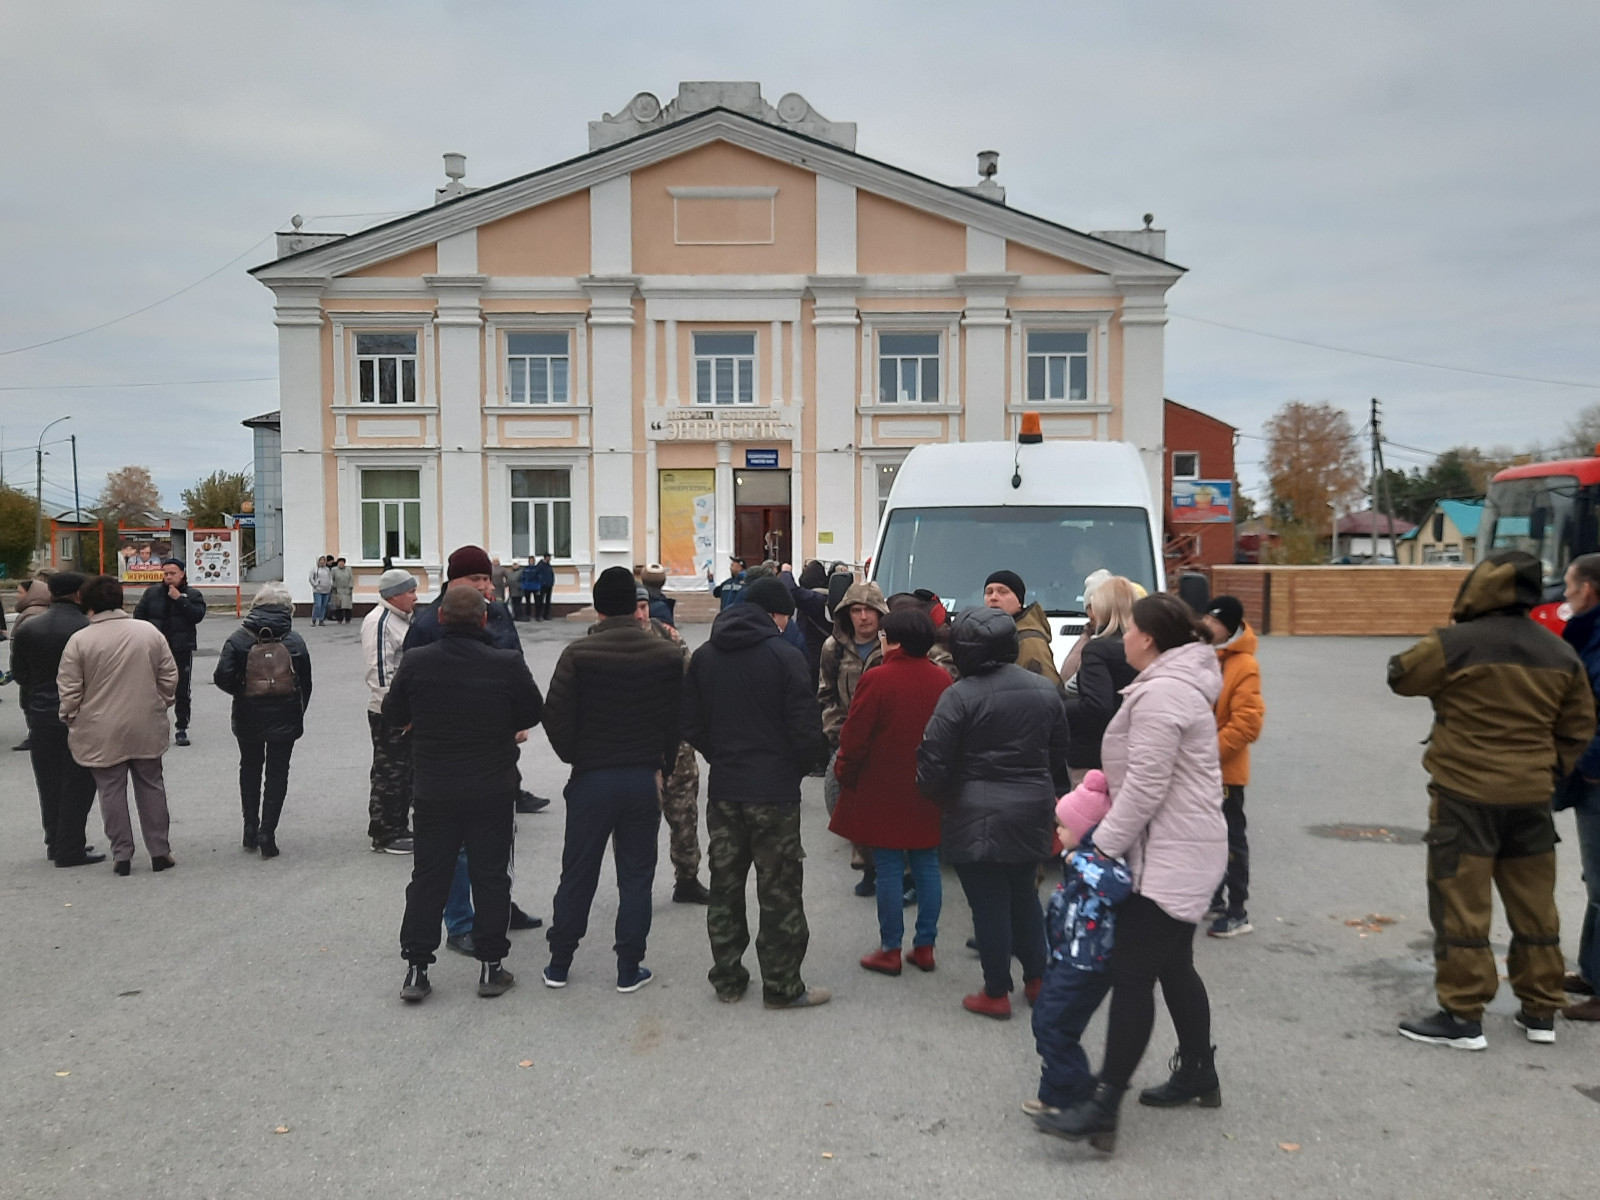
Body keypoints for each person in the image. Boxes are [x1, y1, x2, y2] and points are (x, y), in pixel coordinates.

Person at [1040, 594, 1229, 1152]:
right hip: (1179, 847)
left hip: (1174, 855)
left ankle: (1103, 1106)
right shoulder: (1168, 686)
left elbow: (1146, 787)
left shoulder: (1162, 694)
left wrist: (1100, 852)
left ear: (1147, 638)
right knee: (1173, 966)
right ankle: (1199, 1071)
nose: (1123, 637)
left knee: (1131, 975)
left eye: (1131, 631)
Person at [1389, 550, 1593, 1049]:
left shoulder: (1455, 644)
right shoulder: (1558, 651)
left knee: (1461, 904)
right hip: (1531, 799)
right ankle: (1540, 1011)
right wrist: (1548, 770)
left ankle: (1462, 1016)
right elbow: (1580, 725)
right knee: (1535, 906)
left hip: (1465, 798)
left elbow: (1401, 676)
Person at [682, 576, 831, 1009]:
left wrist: (722, 756)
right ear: (775, 613)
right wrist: (793, 769)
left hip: (726, 790)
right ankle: (782, 987)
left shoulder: (705, 656)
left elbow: (689, 722)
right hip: (775, 794)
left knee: (726, 886)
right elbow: (806, 729)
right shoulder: (786, 655)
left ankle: (728, 979)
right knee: (779, 889)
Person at [389, 585, 544, 1002]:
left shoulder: (419, 661)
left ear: (440, 619)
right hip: (492, 786)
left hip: (435, 787)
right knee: (491, 875)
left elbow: (393, 713)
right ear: (482, 620)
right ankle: (491, 966)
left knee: (428, 877)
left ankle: (417, 968)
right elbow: (533, 710)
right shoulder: (506, 663)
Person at [917, 607, 1070, 1019]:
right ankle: (1038, 978)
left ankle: (996, 989)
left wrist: (940, 796)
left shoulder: (958, 695)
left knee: (987, 903)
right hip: (1031, 805)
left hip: (972, 807)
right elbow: (1058, 753)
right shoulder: (1043, 690)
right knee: (1024, 895)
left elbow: (933, 760)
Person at [540, 569, 685, 992]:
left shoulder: (578, 653)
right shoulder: (666, 654)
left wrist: (576, 756)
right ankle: (628, 968)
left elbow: (555, 715)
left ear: (598, 607)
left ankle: (559, 964)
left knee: (578, 871)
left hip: (591, 778)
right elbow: (675, 721)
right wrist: (665, 766)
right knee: (637, 875)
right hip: (642, 777)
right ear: (638, 607)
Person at [404, 545, 547, 939]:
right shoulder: (430, 621)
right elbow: (410, 681)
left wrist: (516, 718)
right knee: (457, 848)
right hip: (447, 746)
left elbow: (514, 663)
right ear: (453, 581)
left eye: (486, 578)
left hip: (495, 742)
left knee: (499, 837)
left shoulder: (497, 613)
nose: (485, 585)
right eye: (476, 579)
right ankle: (461, 922)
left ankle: (498, 907)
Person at [831, 608, 952, 975]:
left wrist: (844, 772)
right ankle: (926, 945)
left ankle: (890, 948)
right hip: (928, 786)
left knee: (887, 868)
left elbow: (854, 736)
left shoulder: (878, 679)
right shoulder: (942, 679)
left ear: (891, 640)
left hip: (882, 786)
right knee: (927, 864)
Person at [1028, 770, 1131, 1130]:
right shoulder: (1080, 858)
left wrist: (1080, 860)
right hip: (1065, 955)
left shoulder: (1103, 861)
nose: (1057, 831)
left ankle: (1076, 1093)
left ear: (1087, 830)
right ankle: (1055, 1093)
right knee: (1047, 1021)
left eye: (1063, 825)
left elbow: (1117, 888)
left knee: (1054, 1026)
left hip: (1087, 963)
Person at [57, 575, 179, 876]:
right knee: (151, 784)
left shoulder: (80, 640)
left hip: (99, 726)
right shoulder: (148, 632)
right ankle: (160, 851)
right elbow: (169, 676)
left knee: (110, 789)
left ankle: (122, 854)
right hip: (145, 721)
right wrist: (160, 702)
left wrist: (71, 715)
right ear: (120, 599)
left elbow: (69, 688)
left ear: (85, 603)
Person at [623, 585, 711, 903]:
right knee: (639, 821)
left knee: (684, 815)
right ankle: (636, 887)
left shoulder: (671, 639)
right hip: (636, 747)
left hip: (678, 747)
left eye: (645, 606)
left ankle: (687, 879)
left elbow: (692, 684)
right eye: (635, 607)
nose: (641, 613)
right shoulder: (615, 643)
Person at [9, 571, 104, 867]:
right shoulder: (88, 628)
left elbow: (19, 673)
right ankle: (71, 844)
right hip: (81, 714)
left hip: (39, 712)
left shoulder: (29, 628)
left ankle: (53, 840)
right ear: (79, 594)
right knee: (79, 781)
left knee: (47, 781)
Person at [212, 583, 312, 858]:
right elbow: (305, 682)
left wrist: (243, 692)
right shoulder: (294, 640)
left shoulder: (239, 638)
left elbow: (222, 676)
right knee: (278, 771)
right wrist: (296, 710)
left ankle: (249, 827)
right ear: (287, 608)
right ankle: (268, 832)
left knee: (250, 767)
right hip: (286, 715)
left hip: (248, 714)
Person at [1199, 595, 1265, 938]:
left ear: (1228, 626)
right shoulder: (1205, 656)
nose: (1206, 624)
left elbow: (1248, 723)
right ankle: (1215, 898)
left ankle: (1238, 910)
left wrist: (1206, 752)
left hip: (1225, 772)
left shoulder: (1244, 666)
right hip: (1202, 770)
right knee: (1207, 837)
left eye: (1213, 620)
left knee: (1231, 840)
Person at [819, 580, 891, 894]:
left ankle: (898, 871)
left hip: (888, 736)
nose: (863, 617)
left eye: (869, 610)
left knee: (891, 808)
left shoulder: (893, 644)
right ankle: (868, 868)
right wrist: (837, 732)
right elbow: (827, 694)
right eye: (856, 610)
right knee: (856, 805)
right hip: (850, 734)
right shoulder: (833, 648)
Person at [1559, 553, 1600, 1021]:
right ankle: (1591, 970)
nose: (1565, 596)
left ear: (1588, 589)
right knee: (1595, 877)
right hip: (1591, 772)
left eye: (1569, 587)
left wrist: (1587, 765)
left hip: (1598, 775)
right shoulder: (1588, 634)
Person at [1060, 576, 1140, 784]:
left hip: (1092, 754)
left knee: (1086, 815)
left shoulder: (1097, 649)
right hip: (1134, 750)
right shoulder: (1144, 648)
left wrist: (1059, 707)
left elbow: (1097, 706)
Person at [363, 568, 419, 853]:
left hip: (404, 711)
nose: (415, 596)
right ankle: (385, 832)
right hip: (389, 712)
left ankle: (399, 825)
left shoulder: (401, 619)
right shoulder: (381, 622)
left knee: (404, 769)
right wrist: (396, 713)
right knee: (390, 771)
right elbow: (380, 672)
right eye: (410, 591)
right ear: (395, 595)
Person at [133, 558, 205, 747]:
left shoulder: (193, 594)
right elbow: (139, 616)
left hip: (181, 648)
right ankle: (152, 727)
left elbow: (197, 615)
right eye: (165, 574)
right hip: (155, 649)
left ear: (182, 574)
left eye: (172, 574)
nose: (168, 577)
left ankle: (182, 727)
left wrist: (179, 600)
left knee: (181, 689)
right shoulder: (152, 593)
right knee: (152, 689)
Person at [983, 569, 1062, 686]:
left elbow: (1049, 690)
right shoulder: (984, 635)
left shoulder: (1029, 640)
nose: (993, 597)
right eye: (989, 592)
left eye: (1003, 592)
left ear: (1019, 601)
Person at [639, 563, 676, 628]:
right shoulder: (662, 608)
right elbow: (668, 634)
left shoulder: (636, 600)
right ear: (664, 581)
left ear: (642, 579)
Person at [527, 553, 556, 622]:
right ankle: (539, 615)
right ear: (546, 558)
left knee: (548, 601)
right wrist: (541, 582)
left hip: (549, 585)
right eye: (549, 557)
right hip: (542, 585)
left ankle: (546, 615)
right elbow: (537, 575)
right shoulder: (540, 565)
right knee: (540, 601)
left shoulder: (549, 565)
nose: (550, 559)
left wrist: (552, 582)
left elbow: (551, 574)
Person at [308, 556, 333, 626]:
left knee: (324, 606)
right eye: (320, 560)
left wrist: (330, 585)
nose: (322, 561)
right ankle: (314, 619)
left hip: (326, 590)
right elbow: (310, 578)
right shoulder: (314, 570)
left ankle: (321, 620)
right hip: (317, 590)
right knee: (318, 605)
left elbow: (330, 577)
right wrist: (315, 584)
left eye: (323, 560)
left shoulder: (327, 569)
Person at [329, 557, 355, 624]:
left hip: (347, 590)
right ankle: (339, 620)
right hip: (338, 590)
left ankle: (348, 620)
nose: (341, 563)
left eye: (342, 562)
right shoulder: (334, 570)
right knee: (339, 606)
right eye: (340, 562)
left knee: (348, 606)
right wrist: (334, 587)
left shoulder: (349, 569)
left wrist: (350, 586)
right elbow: (331, 579)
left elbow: (351, 578)